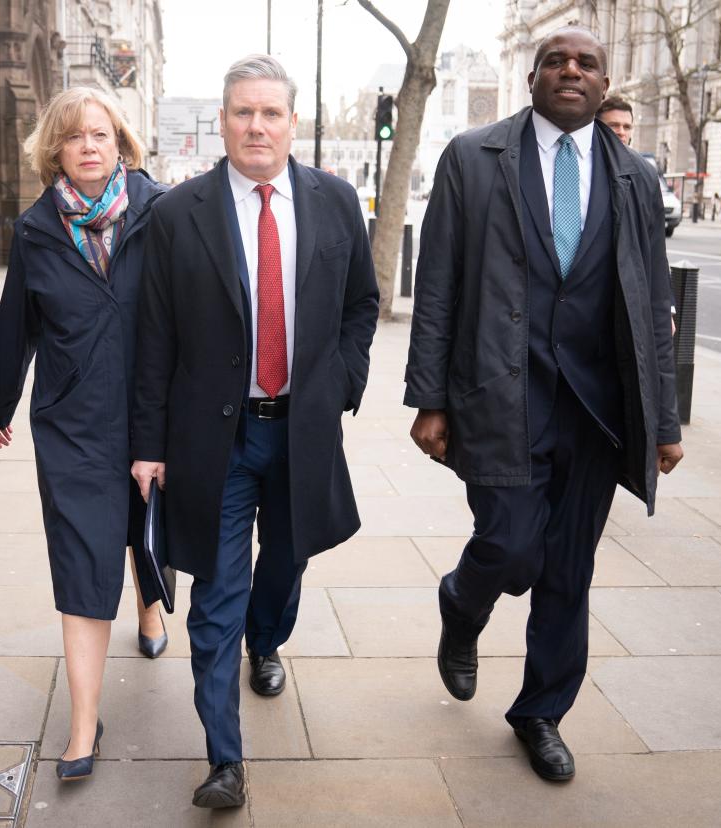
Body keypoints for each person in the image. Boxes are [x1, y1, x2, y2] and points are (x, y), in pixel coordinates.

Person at [405, 26, 683, 783]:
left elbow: (653, 300)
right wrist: (428, 397)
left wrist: (663, 421)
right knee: (511, 544)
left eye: (586, 63)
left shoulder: (635, 176)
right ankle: (463, 602)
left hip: (597, 409)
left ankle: (541, 712)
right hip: (499, 394)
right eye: (556, 61)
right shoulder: (474, 158)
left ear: (603, 83)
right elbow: (437, 287)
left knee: (568, 569)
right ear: (532, 78)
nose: (571, 71)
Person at [130, 54, 378, 808]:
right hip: (215, 439)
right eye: (243, 112)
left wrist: (341, 384)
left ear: (292, 123)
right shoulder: (178, 213)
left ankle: (266, 641)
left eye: (271, 113)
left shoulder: (336, 203)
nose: (257, 126)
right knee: (215, 591)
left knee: (289, 559)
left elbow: (361, 306)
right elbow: (155, 336)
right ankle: (224, 759)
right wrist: (147, 444)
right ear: (223, 121)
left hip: (300, 429)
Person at [0, 87, 169, 781]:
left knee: (143, 528)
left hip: (151, 415)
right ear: (54, 151)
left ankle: (150, 608)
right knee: (82, 553)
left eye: (101, 133)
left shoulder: (161, 211)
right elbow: (16, 323)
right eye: (74, 137)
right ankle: (83, 721)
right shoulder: (36, 229)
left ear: (120, 141)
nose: (89, 145)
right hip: (72, 421)